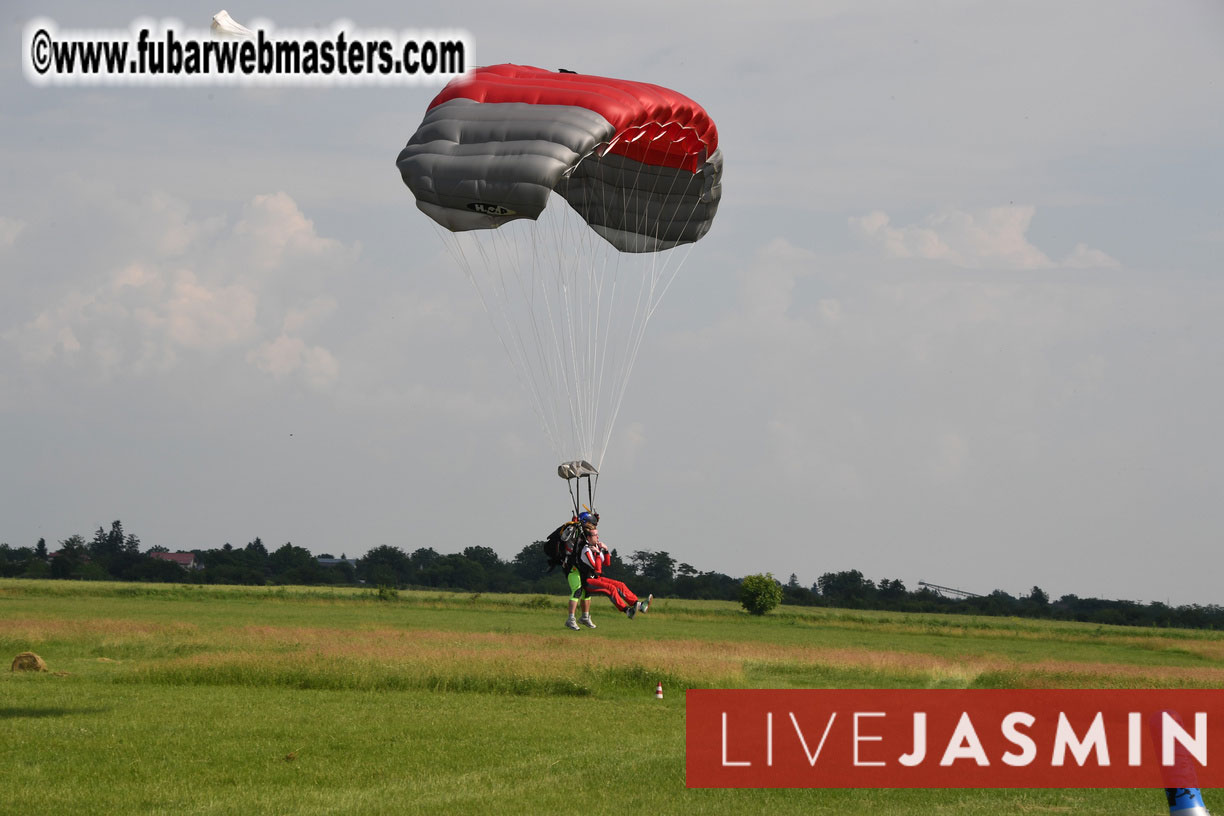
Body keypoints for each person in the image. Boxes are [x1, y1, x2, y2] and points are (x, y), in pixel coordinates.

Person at [574, 518, 650, 621]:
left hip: (597, 578)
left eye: (597, 534)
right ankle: (627, 611)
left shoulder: (595, 547)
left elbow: (607, 563)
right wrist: (597, 553)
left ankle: (638, 605)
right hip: (588, 581)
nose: (598, 537)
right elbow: (597, 569)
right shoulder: (586, 550)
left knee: (620, 585)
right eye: (595, 535)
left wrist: (606, 550)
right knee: (611, 588)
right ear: (588, 538)